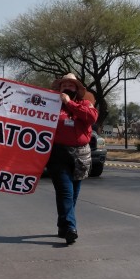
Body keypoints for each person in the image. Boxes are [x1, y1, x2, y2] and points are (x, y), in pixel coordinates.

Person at [46, 73, 98, 244]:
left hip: (81, 155)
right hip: (58, 154)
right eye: (64, 85)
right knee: (65, 192)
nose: (67, 87)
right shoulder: (52, 106)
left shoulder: (85, 104)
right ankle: (70, 228)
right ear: (59, 89)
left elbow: (91, 117)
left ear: (77, 89)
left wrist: (69, 103)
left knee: (73, 194)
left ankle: (63, 224)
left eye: (71, 85)